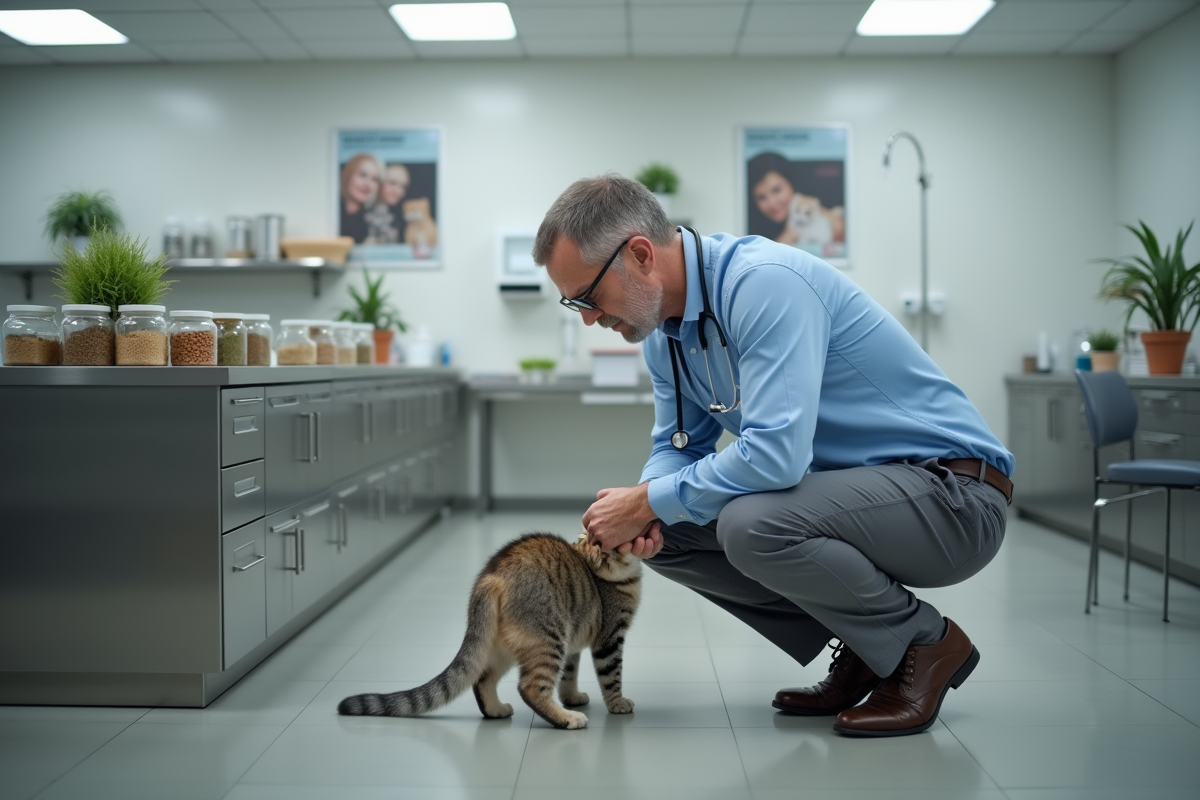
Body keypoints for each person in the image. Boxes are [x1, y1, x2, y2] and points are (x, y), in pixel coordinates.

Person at [532, 175, 1013, 737]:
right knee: (669, 534)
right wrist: (645, 509)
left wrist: (647, 500)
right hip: (866, 500)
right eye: (575, 305)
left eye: (588, 298)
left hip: (955, 499)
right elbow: (676, 447)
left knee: (750, 522)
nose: (588, 317)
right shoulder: (666, 333)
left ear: (640, 255)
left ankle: (923, 645)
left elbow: (777, 459)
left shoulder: (764, 285)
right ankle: (867, 643)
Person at [747, 151, 845, 249]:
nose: (772, 203)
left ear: (791, 184)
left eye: (776, 190)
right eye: (761, 197)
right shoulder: (752, 231)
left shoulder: (808, 205)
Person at [340, 153, 382, 244]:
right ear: (348, 175)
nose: (367, 184)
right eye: (362, 175)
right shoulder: (331, 212)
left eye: (374, 179)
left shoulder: (376, 220)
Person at [364, 163, 410, 245]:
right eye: (392, 183)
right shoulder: (363, 211)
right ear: (379, 182)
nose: (398, 191)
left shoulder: (400, 217)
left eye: (403, 186)